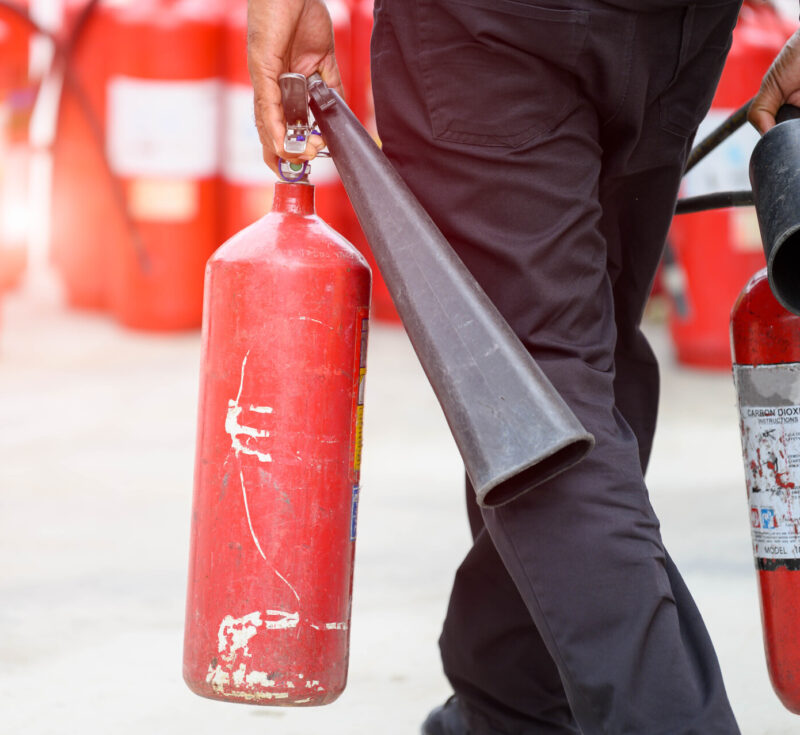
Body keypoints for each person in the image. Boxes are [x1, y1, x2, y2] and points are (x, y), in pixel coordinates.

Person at [247, 1, 800, 732]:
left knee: (545, 418)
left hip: (493, 27)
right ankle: (507, 707)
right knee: (576, 372)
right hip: (672, 29)